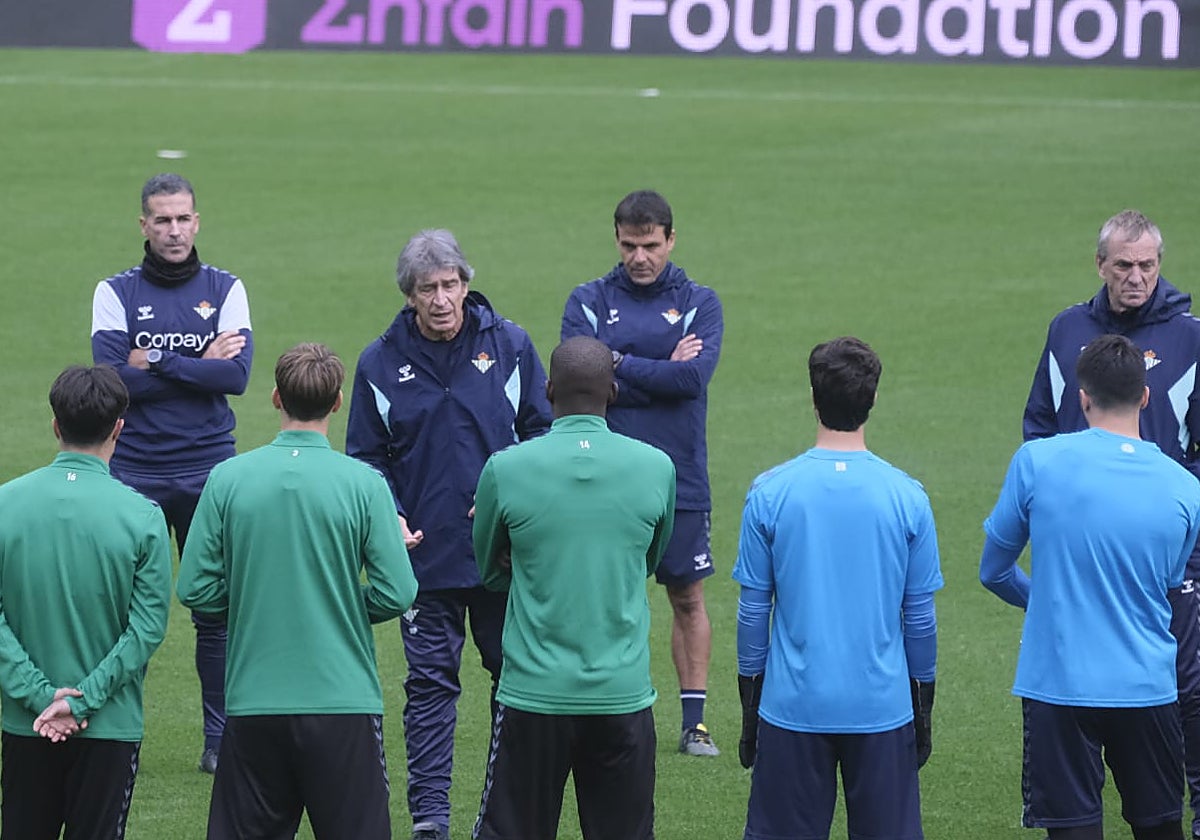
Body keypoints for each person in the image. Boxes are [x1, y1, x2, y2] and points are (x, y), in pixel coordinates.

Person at [346, 229, 553, 840]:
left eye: (450, 285)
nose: (441, 299)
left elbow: (541, 435)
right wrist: (391, 516)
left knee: (510, 683)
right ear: (409, 295)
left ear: (466, 282)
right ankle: (430, 821)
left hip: (501, 558)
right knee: (430, 688)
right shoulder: (379, 361)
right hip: (422, 561)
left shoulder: (511, 345)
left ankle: (501, 816)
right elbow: (366, 457)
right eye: (427, 289)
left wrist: (511, 507)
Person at [177, 343, 419, 840]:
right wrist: (342, 605)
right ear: (337, 402)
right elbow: (398, 592)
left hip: (252, 704)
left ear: (274, 397)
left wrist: (252, 601)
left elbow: (195, 587)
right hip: (343, 703)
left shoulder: (227, 479)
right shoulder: (365, 483)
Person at [1024, 209, 1200, 838]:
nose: (1137, 277)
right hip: (1081, 549)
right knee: (1076, 686)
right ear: (1100, 265)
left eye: (1148, 264)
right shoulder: (1066, 329)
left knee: (1183, 685)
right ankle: (1072, 807)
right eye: (1124, 265)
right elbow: (1040, 426)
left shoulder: (1190, 338)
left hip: (1169, 552)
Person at [986, 334, 1200, 840]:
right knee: (1159, 827)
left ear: (1082, 396)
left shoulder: (1036, 462)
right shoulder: (1186, 488)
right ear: (1145, 397)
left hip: (1057, 686)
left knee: (1072, 832)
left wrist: (1047, 603)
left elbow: (994, 570)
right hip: (1147, 686)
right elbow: (1168, 583)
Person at [733, 336, 942, 840]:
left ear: (813, 397)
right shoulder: (907, 497)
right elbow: (919, 618)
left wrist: (749, 704)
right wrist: (924, 705)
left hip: (791, 707)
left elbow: (752, 613)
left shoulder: (770, 492)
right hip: (882, 708)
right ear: (872, 400)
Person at [471, 336, 675, 840]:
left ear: (547, 390)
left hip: (533, 697)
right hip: (621, 694)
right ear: (613, 390)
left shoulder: (505, 468)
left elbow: (490, 569)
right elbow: (649, 560)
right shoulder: (656, 467)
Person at [90, 172, 252, 774]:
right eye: (162, 219)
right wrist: (193, 361)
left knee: (214, 610)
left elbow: (233, 379)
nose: (174, 230)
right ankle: (111, 731)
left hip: (210, 470)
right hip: (133, 471)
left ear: (197, 221)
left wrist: (152, 357)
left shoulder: (226, 288)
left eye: (183, 218)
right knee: (123, 611)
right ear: (143, 225)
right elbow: (111, 383)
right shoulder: (114, 291)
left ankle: (220, 741)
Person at [561, 189, 724, 756]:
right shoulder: (587, 299)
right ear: (617, 240)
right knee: (607, 596)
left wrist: (618, 365)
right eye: (629, 245)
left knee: (687, 598)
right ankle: (607, 713)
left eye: (650, 245)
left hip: (680, 478)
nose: (639, 257)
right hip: (603, 479)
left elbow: (691, 380)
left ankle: (694, 723)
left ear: (671, 240)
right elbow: (580, 383)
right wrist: (655, 369)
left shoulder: (700, 300)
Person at [0, 365, 172, 840]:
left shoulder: (4, 504)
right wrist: (83, 702)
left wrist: (40, 696)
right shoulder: (143, 517)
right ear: (119, 427)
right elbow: (147, 628)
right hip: (108, 726)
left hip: (25, 722)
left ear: (56, 425)